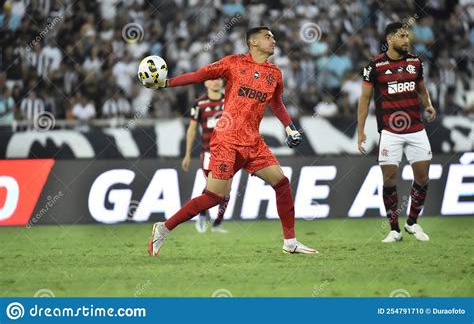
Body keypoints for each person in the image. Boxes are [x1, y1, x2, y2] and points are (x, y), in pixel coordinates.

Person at [147, 26, 318, 255]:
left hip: (253, 142)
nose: (274, 41)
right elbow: (200, 75)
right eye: (268, 37)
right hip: (227, 140)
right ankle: (163, 229)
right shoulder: (233, 63)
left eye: (274, 37)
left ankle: (290, 242)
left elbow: (276, 103)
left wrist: (290, 127)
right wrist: (167, 83)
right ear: (253, 43)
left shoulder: (274, 73)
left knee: (281, 182)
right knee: (214, 197)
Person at [357, 22, 437, 243]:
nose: (406, 40)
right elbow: (364, 99)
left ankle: (412, 223)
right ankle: (394, 229)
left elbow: (421, 89)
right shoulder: (374, 66)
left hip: (416, 128)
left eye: (407, 36)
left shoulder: (415, 62)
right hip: (390, 132)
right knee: (389, 179)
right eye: (402, 36)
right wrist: (361, 131)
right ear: (390, 39)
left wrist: (428, 104)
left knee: (422, 177)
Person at [181, 78, 229, 233]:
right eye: (211, 79)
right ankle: (202, 214)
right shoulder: (199, 103)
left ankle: (217, 224)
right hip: (209, 152)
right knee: (212, 188)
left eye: (218, 79)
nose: (215, 82)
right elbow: (192, 129)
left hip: (229, 152)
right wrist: (187, 154)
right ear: (205, 83)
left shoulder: (229, 100)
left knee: (226, 191)